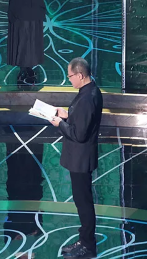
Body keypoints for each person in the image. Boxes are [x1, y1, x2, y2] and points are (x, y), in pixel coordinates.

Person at [49, 58, 103, 258]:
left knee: (84, 202)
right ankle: (85, 240)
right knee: (82, 201)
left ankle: (88, 246)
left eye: (70, 76)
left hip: (81, 159)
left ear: (80, 75)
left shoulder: (88, 98)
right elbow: (81, 121)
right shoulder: (89, 91)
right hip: (80, 157)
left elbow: (79, 134)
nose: (69, 79)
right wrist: (67, 115)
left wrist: (60, 124)